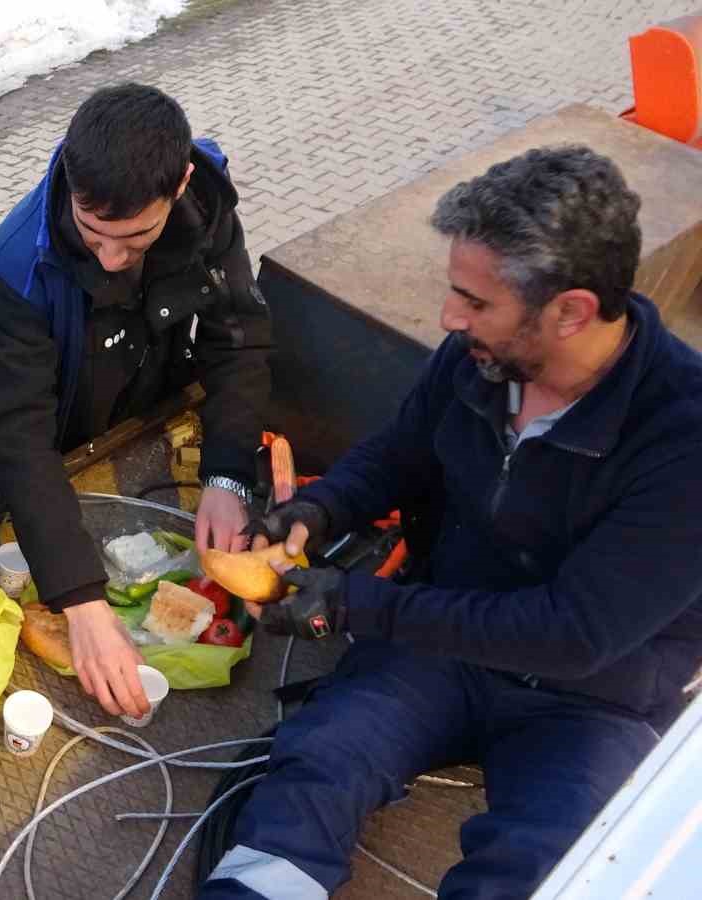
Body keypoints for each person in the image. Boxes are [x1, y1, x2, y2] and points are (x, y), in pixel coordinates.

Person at [203, 146, 702, 898]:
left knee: (554, 866)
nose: (448, 318)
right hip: (438, 641)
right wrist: (318, 509)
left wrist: (354, 603)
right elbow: (401, 453)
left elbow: (571, 633)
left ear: (570, 311)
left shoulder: (685, 439)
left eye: (476, 303)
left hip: (594, 697)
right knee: (319, 761)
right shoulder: (480, 359)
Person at [0, 84, 273, 717]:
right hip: (64, 440)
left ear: (180, 184)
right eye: (92, 233)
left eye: (136, 238)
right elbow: (14, 439)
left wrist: (227, 474)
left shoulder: (208, 205)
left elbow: (237, 339)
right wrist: (82, 600)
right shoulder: (18, 262)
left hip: (154, 404)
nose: (111, 258)